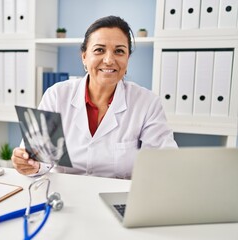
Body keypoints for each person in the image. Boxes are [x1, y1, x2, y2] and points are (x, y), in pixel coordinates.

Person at [12, 15, 177, 179]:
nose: (109, 60)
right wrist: (28, 164)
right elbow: (38, 159)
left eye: (119, 51)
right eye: (99, 50)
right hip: (64, 197)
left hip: (118, 200)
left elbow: (164, 164)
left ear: (128, 58)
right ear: (84, 56)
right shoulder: (56, 95)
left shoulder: (147, 103)